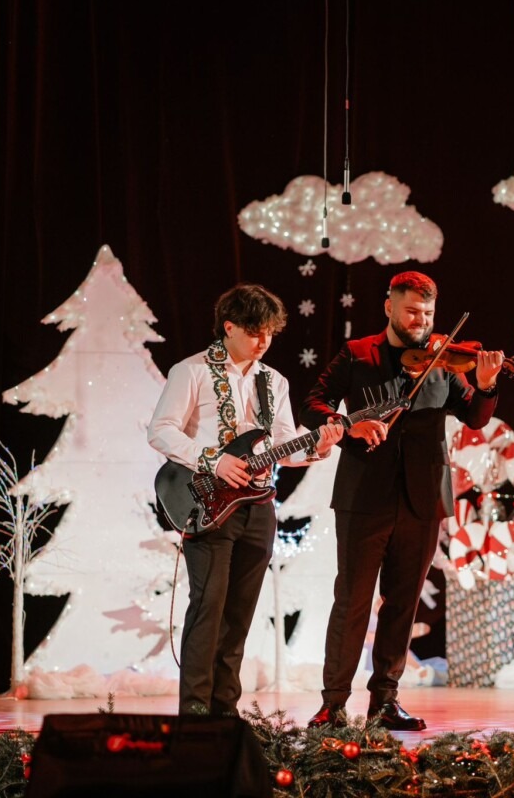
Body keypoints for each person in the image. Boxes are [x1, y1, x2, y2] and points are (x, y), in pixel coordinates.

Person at [301, 270, 503, 731]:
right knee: (351, 601)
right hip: (363, 497)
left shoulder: (445, 362)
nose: (421, 321)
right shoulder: (358, 353)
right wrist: (346, 425)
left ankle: (385, 702)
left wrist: (487, 384)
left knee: (402, 604)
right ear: (388, 306)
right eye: (412, 311)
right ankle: (333, 704)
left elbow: (475, 418)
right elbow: (312, 403)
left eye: (428, 313)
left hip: (423, 499)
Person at [148, 283, 343, 716]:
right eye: (255, 332)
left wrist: (319, 446)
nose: (263, 341)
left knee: (239, 615)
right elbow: (160, 430)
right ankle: (195, 712)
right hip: (208, 503)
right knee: (208, 607)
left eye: (270, 332)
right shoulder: (191, 371)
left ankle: (225, 711)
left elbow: (285, 446)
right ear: (229, 327)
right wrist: (214, 461)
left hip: (258, 507)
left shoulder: (274, 381)